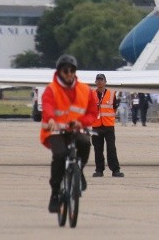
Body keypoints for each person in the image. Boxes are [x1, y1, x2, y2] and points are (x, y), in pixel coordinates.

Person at [40, 54, 97, 213]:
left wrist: (82, 122)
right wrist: (51, 119)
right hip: (56, 131)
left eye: (72, 70)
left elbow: (92, 112)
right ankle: (55, 194)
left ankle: (79, 169)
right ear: (59, 72)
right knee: (60, 155)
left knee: (85, 142)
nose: (69, 73)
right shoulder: (51, 90)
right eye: (66, 71)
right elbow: (48, 106)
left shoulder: (85, 90)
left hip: (75, 129)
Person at [91, 73, 124, 178]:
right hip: (96, 126)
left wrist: (109, 118)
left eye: (101, 80)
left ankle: (115, 170)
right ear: (95, 82)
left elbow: (114, 108)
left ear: (105, 82)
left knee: (111, 148)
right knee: (98, 149)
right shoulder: (91, 95)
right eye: (98, 80)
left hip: (108, 125)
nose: (100, 82)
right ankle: (99, 170)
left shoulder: (111, 94)